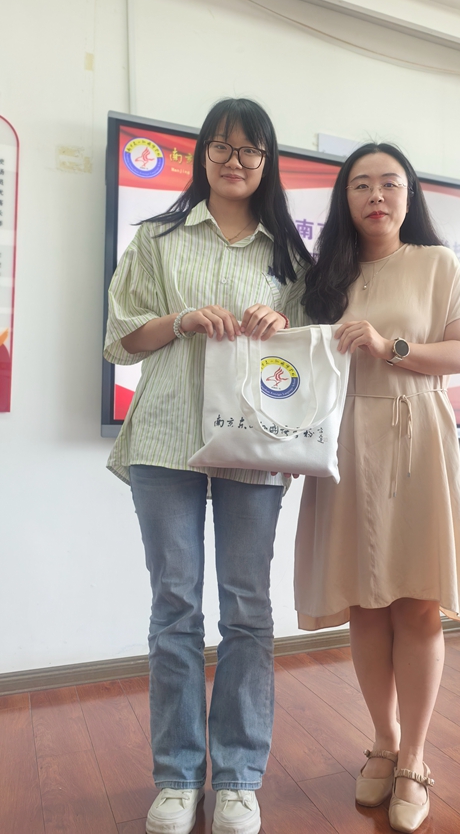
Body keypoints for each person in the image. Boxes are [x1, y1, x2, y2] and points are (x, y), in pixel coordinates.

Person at [104, 98, 312, 834]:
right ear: (203, 155)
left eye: (250, 151)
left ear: (267, 162)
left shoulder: (290, 256)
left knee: (247, 609)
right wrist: (183, 319)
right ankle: (177, 776)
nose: (235, 161)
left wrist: (281, 326)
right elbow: (120, 336)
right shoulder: (157, 238)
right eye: (222, 147)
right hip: (166, 439)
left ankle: (239, 778)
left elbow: (310, 355)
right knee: (175, 607)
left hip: (254, 446)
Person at [297, 143, 460, 833]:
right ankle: (383, 739)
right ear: (344, 198)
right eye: (361, 184)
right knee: (365, 602)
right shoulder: (324, 274)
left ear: (409, 195)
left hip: (417, 435)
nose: (376, 195)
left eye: (390, 183)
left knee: (419, 600)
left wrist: (390, 346)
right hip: (347, 441)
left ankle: (415, 758)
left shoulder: (438, 264)